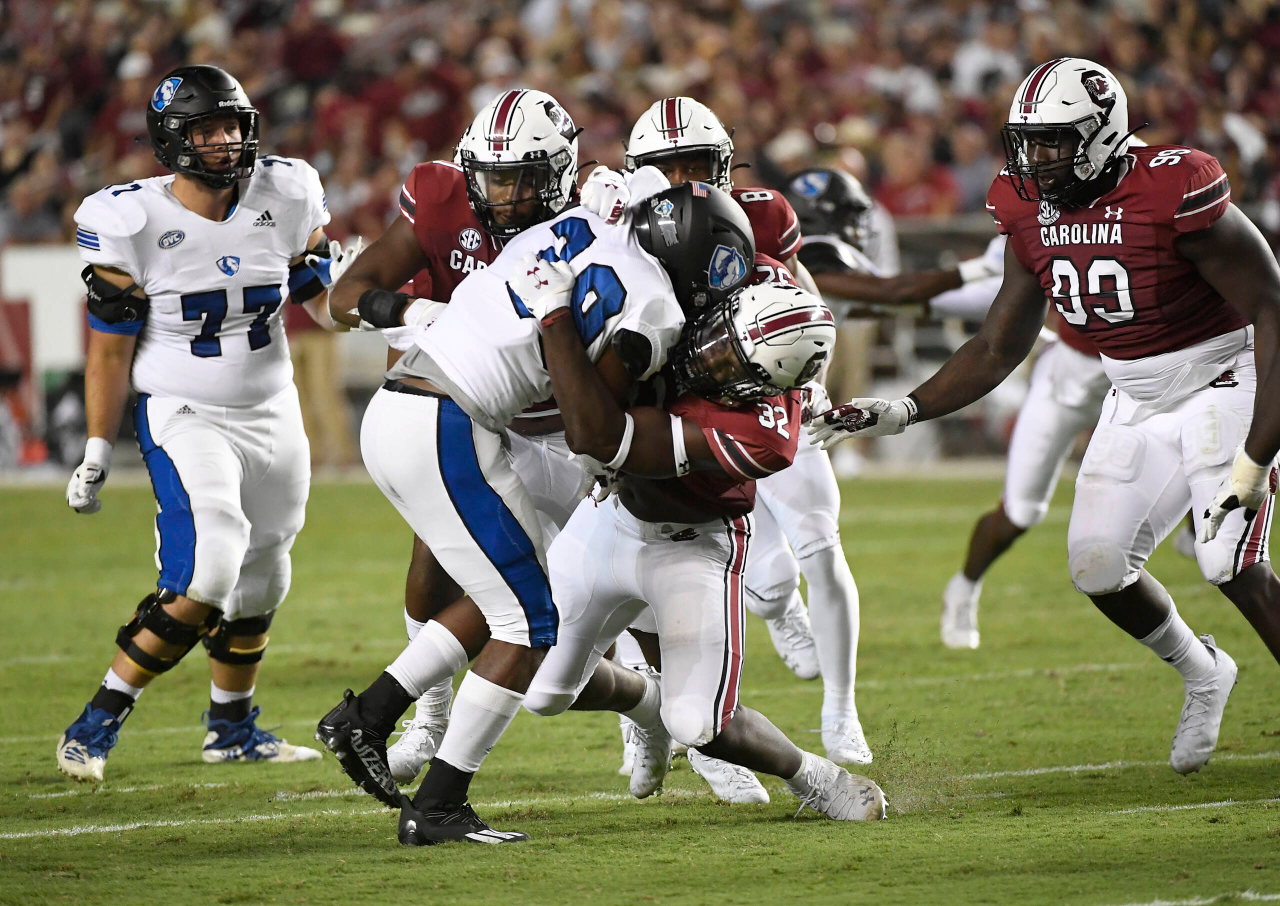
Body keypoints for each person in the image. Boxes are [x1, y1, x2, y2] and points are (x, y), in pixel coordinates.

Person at [809, 58, 1280, 775]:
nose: (1034, 159)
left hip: (1221, 377)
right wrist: (903, 409)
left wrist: (1253, 458)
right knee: (1096, 566)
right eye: (1026, 140)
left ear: (1101, 133)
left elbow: (1272, 309)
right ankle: (1203, 669)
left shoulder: (1170, 187)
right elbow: (1000, 343)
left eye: (1052, 141)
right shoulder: (1028, 207)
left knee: (1225, 560)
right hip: (1132, 395)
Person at [316, 178, 754, 845]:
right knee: (528, 621)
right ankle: (437, 802)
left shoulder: (580, 218)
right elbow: (591, 429)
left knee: (527, 590)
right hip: (448, 422)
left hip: (409, 405)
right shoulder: (656, 303)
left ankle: (370, 716)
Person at [56, 65, 354, 781]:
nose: (224, 141)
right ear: (172, 140)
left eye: (232, 126)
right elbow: (108, 346)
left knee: (264, 574)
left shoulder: (288, 191)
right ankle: (96, 721)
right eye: (206, 129)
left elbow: (321, 302)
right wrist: (97, 447)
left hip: (272, 407)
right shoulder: (126, 219)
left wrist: (394, 313)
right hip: (183, 409)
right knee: (209, 570)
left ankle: (232, 728)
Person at [522, 269, 886, 822]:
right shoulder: (707, 310)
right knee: (540, 690)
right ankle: (648, 704)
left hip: (694, 549)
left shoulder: (765, 436)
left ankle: (815, 775)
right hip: (608, 522)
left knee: (698, 724)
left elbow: (606, 441)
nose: (712, 355)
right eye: (723, 337)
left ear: (766, 385)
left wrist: (559, 325)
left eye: (732, 361)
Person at [324, 89, 584, 785]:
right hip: (459, 415)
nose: (501, 193)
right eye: (491, 175)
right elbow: (344, 296)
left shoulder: (586, 226)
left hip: (564, 426)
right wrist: (413, 308)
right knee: (450, 575)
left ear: (558, 172)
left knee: (616, 572)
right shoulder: (441, 199)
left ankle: (653, 731)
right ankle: (424, 730)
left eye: (520, 176)